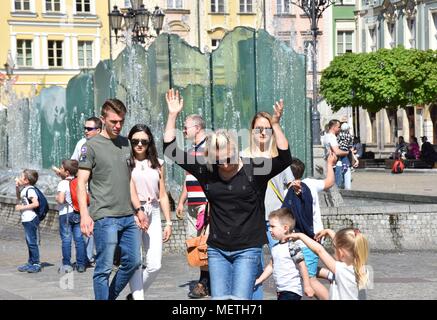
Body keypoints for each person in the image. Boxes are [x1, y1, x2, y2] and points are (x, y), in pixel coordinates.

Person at [163, 88, 292, 300]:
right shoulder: (208, 170)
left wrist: (275, 124)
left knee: (240, 301)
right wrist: (172, 115)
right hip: (217, 250)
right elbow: (170, 150)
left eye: (228, 158)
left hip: (247, 249)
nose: (224, 164)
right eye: (219, 160)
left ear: (235, 150)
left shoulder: (254, 169)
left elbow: (285, 158)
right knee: (221, 301)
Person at [77, 99, 147, 300]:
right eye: (113, 121)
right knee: (104, 268)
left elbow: (129, 180)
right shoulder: (90, 146)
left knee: (133, 262)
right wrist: (84, 215)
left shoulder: (126, 144)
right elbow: (81, 182)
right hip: (105, 216)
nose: (118, 126)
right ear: (103, 119)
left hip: (128, 216)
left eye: (121, 122)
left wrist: (139, 209)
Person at [242, 111, 294, 299]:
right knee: (253, 264)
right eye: (258, 128)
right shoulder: (242, 157)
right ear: (252, 131)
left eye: (267, 128)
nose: (263, 132)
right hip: (251, 219)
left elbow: (290, 185)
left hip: (276, 219)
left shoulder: (278, 157)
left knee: (281, 261)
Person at [127, 124, 173, 300]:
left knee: (155, 264)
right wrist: (137, 211)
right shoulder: (126, 163)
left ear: (149, 143)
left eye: (144, 141)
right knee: (135, 262)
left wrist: (168, 222)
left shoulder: (158, 164)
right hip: (133, 213)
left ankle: (134, 295)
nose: (139, 144)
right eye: (135, 141)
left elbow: (162, 194)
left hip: (153, 211)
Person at [284, 152, 337, 300]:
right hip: (317, 237)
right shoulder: (311, 183)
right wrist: (329, 163)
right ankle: (331, 274)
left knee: (310, 279)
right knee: (305, 269)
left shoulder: (288, 191)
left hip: (305, 240)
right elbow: (329, 182)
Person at [175, 114, 210, 299]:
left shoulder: (210, 148)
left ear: (197, 127)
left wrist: (209, 203)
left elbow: (213, 178)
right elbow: (188, 178)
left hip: (204, 204)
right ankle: (206, 280)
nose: (183, 130)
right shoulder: (191, 150)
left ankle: (204, 282)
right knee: (194, 243)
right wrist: (181, 201)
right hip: (192, 204)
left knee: (204, 244)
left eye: (186, 126)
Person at [287, 228, 369, 300]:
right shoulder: (363, 269)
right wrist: (329, 232)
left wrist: (300, 236)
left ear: (340, 253)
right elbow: (343, 243)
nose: (333, 250)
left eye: (334, 248)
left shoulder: (341, 270)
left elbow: (319, 250)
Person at [255, 208, 314, 300]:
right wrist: (259, 280)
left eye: (273, 226)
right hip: (281, 291)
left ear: (285, 228)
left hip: (292, 291)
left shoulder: (292, 246)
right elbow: (271, 266)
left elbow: (302, 266)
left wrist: (307, 286)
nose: (270, 230)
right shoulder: (275, 248)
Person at [71, 117, 102, 267]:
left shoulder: (106, 145)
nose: (85, 131)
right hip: (88, 194)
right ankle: (88, 257)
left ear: (99, 130)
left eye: (89, 129)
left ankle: (104, 256)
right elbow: (74, 163)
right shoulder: (82, 144)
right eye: (85, 128)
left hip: (102, 194)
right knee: (89, 226)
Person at [56, 159, 87, 273]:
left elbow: (61, 199)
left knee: (66, 240)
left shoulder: (63, 183)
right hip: (78, 213)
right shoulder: (79, 181)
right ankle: (81, 264)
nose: (60, 170)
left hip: (66, 215)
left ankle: (67, 264)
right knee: (79, 240)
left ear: (67, 172)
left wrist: (57, 197)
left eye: (61, 168)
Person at [15, 169, 42, 273]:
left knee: (32, 241)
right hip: (26, 218)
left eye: (21, 177)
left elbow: (36, 204)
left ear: (26, 180)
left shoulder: (30, 190)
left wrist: (22, 207)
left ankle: (36, 263)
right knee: (29, 241)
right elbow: (18, 197)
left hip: (31, 218)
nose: (20, 178)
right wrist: (17, 187)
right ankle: (31, 262)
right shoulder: (25, 189)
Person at [321, 119, 349, 189]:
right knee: (338, 187)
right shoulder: (332, 137)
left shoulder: (326, 136)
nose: (340, 129)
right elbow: (337, 151)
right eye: (338, 127)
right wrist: (347, 152)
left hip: (330, 164)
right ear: (333, 127)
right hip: (336, 165)